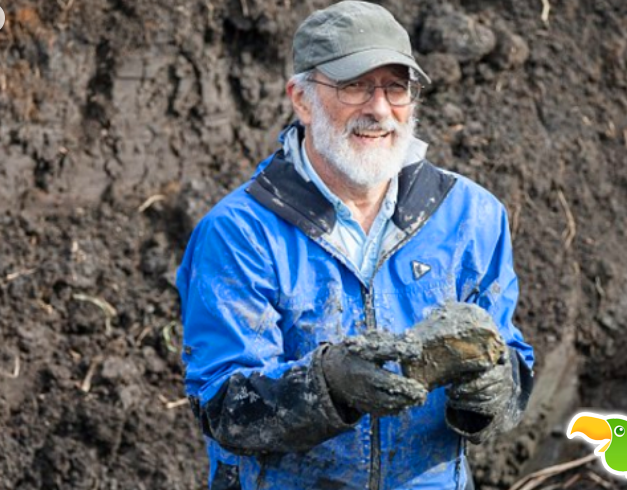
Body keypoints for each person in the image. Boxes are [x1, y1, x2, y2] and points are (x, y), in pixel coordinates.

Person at [176, 1, 535, 489]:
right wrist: (328, 385)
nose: (380, 109)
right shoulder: (241, 233)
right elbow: (222, 408)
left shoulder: (470, 216)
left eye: (396, 87)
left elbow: (512, 358)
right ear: (302, 100)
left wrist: (496, 392)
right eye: (355, 86)